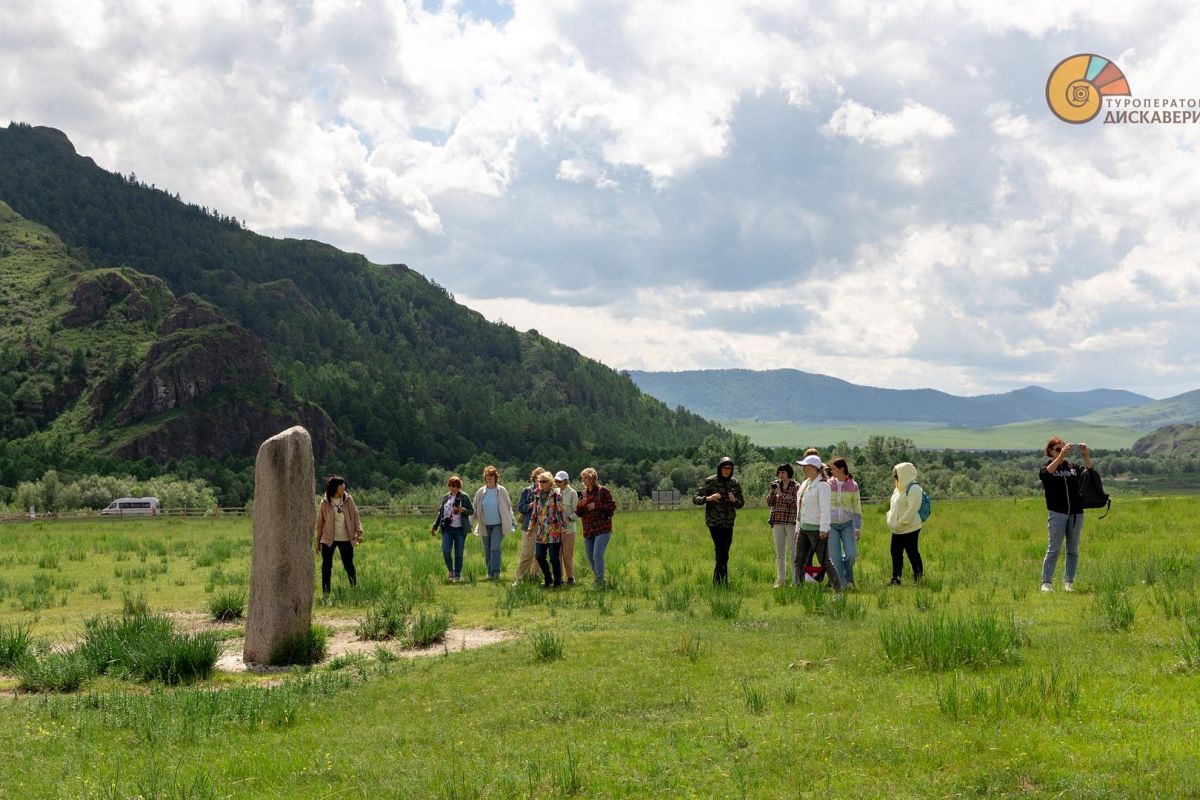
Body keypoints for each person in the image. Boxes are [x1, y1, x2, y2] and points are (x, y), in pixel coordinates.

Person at [1039, 437, 1094, 592]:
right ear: (1050, 452)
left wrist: (1085, 456)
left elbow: (1089, 470)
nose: (1061, 450)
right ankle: (1047, 583)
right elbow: (1048, 473)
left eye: (1063, 448)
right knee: (1054, 548)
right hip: (1057, 513)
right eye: (1057, 449)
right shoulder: (1046, 467)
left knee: (1073, 550)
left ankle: (1068, 582)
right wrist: (1060, 457)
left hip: (1076, 513)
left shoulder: (1073, 467)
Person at [693, 456, 745, 585]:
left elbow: (741, 503)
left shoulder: (735, 483)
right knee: (721, 550)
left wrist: (734, 500)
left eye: (729, 468)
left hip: (729, 523)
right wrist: (708, 498)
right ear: (720, 468)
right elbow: (695, 499)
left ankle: (718, 581)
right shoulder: (710, 481)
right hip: (714, 523)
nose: (727, 470)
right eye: (725, 468)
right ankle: (722, 582)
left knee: (724, 553)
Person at [314, 476, 363, 596]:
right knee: (326, 566)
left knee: (349, 565)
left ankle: (354, 589)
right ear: (335, 487)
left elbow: (355, 516)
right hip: (328, 538)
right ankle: (326, 594)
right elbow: (320, 522)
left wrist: (359, 531)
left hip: (346, 538)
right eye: (341, 485)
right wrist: (318, 541)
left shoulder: (348, 499)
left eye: (343, 484)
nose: (343, 487)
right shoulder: (325, 502)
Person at [793, 454, 834, 587]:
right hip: (804, 528)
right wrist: (797, 527)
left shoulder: (822, 486)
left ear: (814, 468)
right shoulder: (805, 484)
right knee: (798, 559)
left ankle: (838, 587)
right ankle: (798, 586)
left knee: (825, 561)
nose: (803, 469)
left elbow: (825, 509)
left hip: (817, 530)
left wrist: (824, 528)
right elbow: (800, 507)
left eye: (806, 467)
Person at [576, 467, 617, 587]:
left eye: (586, 478)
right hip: (588, 530)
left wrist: (596, 505)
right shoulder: (583, 494)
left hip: (602, 528)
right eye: (582, 478)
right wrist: (580, 505)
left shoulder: (603, 491)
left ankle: (600, 580)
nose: (583, 480)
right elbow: (579, 514)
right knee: (590, 557)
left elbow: (612, 505)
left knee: (597, 554)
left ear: (593, 479)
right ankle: (598, 578)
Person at [473, 466, 516, 580]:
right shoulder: (480, 492)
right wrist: (468, 523)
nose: (489, 478)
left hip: (498, 525)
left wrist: (512, 522)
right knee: (487, 550)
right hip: (484, 525)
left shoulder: (501, 490)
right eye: (487, 476)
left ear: (495, 477)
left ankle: (496, 573)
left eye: (491, 476)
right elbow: (474, 508)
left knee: (494, 548)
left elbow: (508, 507)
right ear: (485, 478)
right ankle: (489, 573)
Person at [886, 462, 925, 585]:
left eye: (896, 476)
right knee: (895, 552)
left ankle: (919, 578)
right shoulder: (898, 488)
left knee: (912, 553)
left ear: (904, 474)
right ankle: (896, 578)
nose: (895, 478)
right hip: (897, 529)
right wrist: (890, 518)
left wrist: (901, 522)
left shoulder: (914, 488)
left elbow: (913, 508)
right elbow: (893, 506)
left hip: (910, 528)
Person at [827, 457, 862, 591]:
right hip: (832, 525)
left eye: (833, 469)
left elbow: (857, 509)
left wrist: (857, 528)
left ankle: (848, 578)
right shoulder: (828, 485)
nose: (831, 471)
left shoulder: (853, 486)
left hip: (848, 524)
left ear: (842, 469)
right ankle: (842, 584)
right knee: (834, 558)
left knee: (851, 555)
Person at [527, 471, 567, 588]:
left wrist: (563, 530)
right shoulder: (537, 495)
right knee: (539, 556)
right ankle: (548, 578)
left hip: (554, 532)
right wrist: (530, 529)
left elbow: (561, 513)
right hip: (540, 533)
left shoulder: (556, 496)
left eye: (544, 482)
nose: (541, 484)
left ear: (550, 483)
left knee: (554, 558)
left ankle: (558, 581)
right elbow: (534, 513)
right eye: (540, 481)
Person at [431, 476, 474, 583]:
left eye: (454, 485)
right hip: (447, 529)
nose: (452, 488)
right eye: (450, 485)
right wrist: (434, 527)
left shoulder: (464, 497)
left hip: (460, 529)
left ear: (459, 486)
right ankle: (451, 571)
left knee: (459, 553)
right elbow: (440, 513)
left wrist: (462, 510)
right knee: (446, 551)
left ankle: (457, 575)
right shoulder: (446, 497)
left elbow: (471, 511)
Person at [766, 463, 800, 587]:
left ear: (788, 473)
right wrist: (772, 492)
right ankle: (781, 580)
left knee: (793, 552)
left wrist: (782, 494)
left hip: (791, 522)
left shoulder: (796, 486)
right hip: (777, 521)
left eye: (783, 472)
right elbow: (770, 503)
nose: (781, 475)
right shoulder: (776, 485)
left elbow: (796, 503)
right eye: (779, 472)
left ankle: (796, 580)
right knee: (779, 553)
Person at [512, 466, 543, 584]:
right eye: (538, 479)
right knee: (526, 553)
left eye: (542, 479)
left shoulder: (547, 492)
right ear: (534, 479)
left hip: (542, 527)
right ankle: (519, 578)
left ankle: (533, 577)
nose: (540, 482)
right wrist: (530, 505)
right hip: (528, 526)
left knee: (539, 555)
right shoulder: (527, 491)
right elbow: (521, 507)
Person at [554, 471, 580, 585]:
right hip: (555, 529)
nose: (557, 483)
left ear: (565, 481)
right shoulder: (554, 492)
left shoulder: (572, 493)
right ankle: (559, 578)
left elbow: (578, 512)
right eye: (556, 481)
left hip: (569, 530)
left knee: (567, 555)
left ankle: (570, 577)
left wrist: (569, 519)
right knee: (557, 554)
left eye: (559, 481)